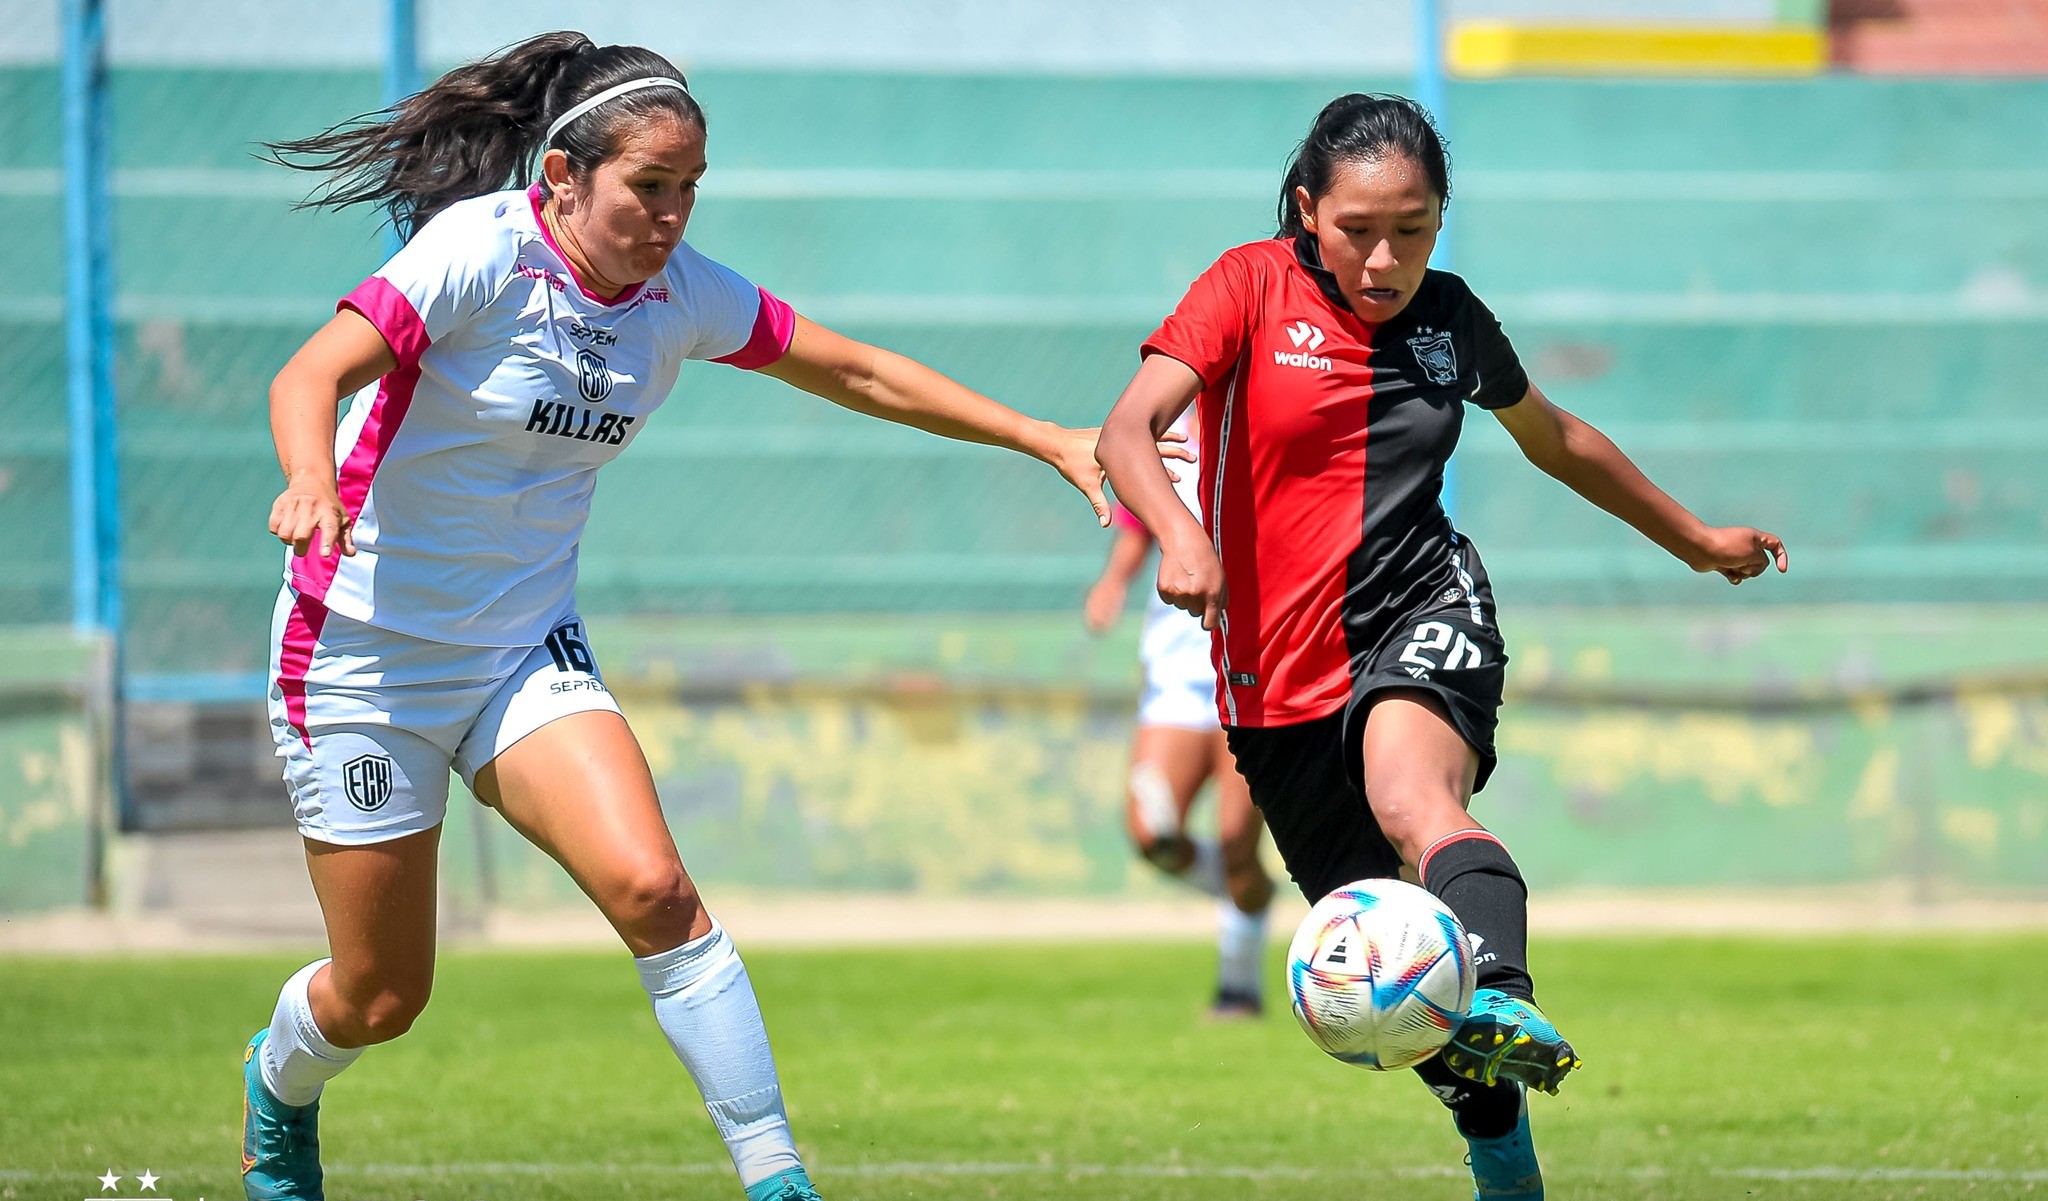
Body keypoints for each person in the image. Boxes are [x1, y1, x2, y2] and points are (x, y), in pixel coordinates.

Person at [246, 32, 1136, 1201]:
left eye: (688, 190)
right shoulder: (478, 253)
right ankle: (279, 1090)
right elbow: (307, 376)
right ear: (561, 178)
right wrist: (310, 475)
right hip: (359, 655)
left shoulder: (678, 293)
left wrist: (1042, 436)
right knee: (379, 997)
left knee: (659, 892)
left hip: (520, 653)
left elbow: (857, 370)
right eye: (646, 189)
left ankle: (775, 1180)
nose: (670, 217)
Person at [1094, 93, 1788, 1200]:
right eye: (1357, 228)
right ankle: (1502, 1154)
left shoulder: (1449, 319)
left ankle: (1503, 984)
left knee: (1417, 802)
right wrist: (1177, 533)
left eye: (1411, 229)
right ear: (1306, 210)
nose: (1383, 258)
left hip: (1421, 600)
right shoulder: (1245, 286)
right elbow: (1125, 428)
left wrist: (1696, 540)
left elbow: (1554, 436)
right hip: (1272, 680)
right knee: (1405, 990)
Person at [1084, 409, 1274, 1017]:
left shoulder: (1276, 422)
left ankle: (1238, 985)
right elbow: (1141, 519)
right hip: (1179, 669)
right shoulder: (1170, 428)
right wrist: (1114, 581)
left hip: (1256, 663)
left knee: (1234, 836)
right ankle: (1249, 889)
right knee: (1151, 833)